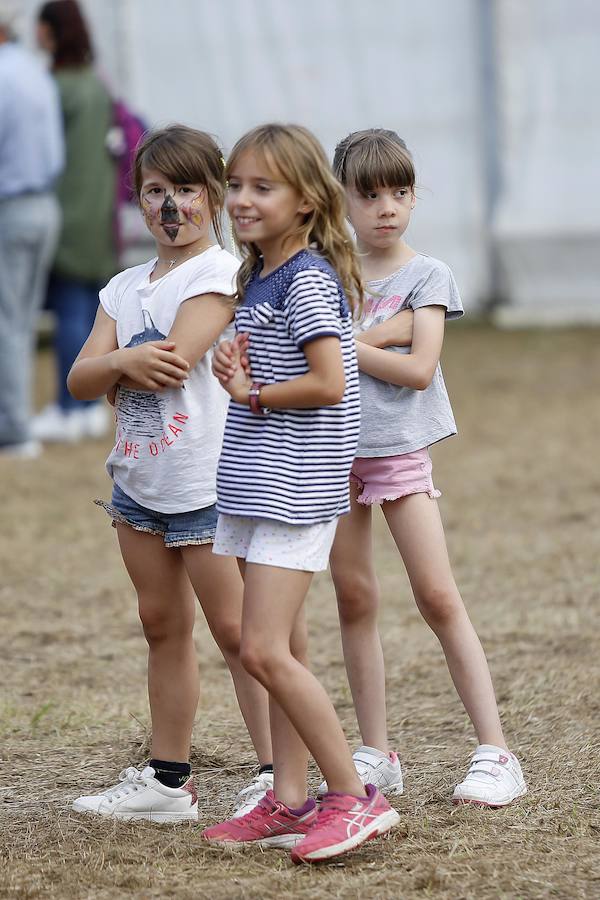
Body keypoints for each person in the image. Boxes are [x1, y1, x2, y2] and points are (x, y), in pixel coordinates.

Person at [200, 123, 400, 864]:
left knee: (261, 651)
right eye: (239, 185)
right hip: (257, 486)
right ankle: (289, 799)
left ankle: (354, 797)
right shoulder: (259, 276)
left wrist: (252, 394)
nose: (243, 200)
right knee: (279, 645)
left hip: (295, 492)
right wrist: (237, 372)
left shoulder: (309, 279)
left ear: (308, 203)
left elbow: (329, 381)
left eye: (263, 187)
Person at [66, 125, 272, 823]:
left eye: (186, 189)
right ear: (138, 200)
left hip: (206, 491)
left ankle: (276, 774)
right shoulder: (122, 287)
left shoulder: (218, 273)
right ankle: (167, 780)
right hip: (137, 491)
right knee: (161, 626)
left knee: (240, 634)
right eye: (156, 190)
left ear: (212, 196)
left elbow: (174, 359)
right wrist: (120, 364)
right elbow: (78, 377)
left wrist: (117, 364)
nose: (171, 204)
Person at [320, 128, 526, 807]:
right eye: (370, 193)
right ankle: (376, 754)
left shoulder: (429, 275)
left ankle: (496, 751)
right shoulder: (328, 271)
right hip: (335, 454)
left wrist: (352, 345)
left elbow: (419, 369)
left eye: (400, 192)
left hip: (400, 453)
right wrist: (379, 333)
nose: (387, 207)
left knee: (438, 597)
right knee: (354, 600)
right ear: (341, 197)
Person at [33, 0, 117, 444]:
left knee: (68, 310)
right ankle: (87, 409)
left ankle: (68, 408)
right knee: (89, 311)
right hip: (98, 214)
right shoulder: (96, 85)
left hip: (65, 212)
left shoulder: (54, 87)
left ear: (52, 33)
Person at [0, 0, 63, 458]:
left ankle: (15, 428)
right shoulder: (32, 69)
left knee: (8, 323)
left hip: (13, 207)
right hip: (43, 204)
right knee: (18, 323)